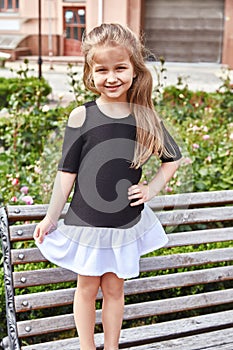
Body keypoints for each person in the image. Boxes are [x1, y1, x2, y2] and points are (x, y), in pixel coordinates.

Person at [34, 23, 182, 350]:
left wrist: (151, 190)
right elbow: (66, 173)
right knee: (86, 288)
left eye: (120, 68)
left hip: (123, 222)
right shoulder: (81, 117)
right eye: (102, 69)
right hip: (87, 221)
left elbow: (172, 159)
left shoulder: (145, 118)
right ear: (90, 72)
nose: (111, 77)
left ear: (134, 70)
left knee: (114, 289)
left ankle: (111, 347)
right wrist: (50, 217)